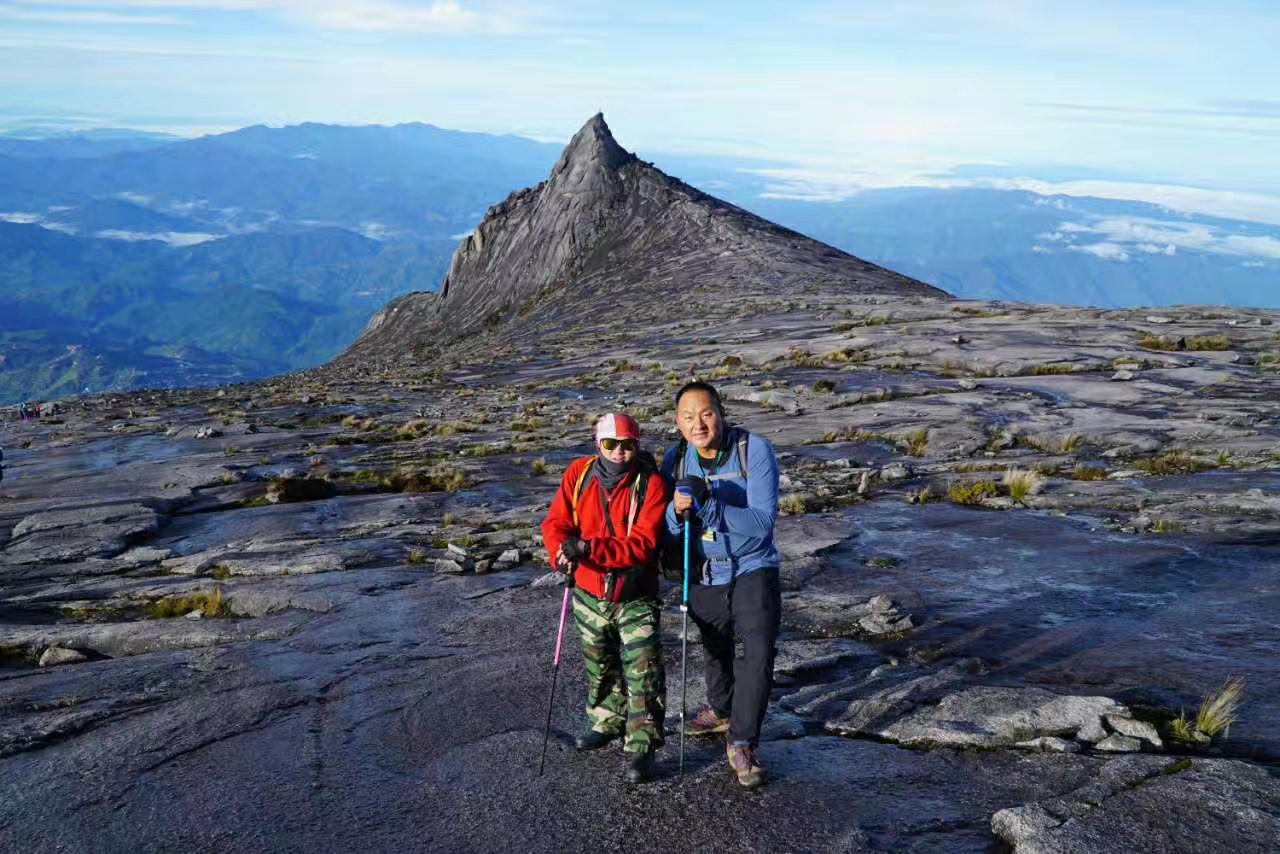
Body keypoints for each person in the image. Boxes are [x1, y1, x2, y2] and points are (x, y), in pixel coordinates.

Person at [662, 381, 781, 789]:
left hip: (752, 566)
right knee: (714, 646)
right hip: (705, 570)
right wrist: (677, 516)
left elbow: (763, 522)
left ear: (721, 413)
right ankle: (722, 709)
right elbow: (668, 526)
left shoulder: (754, 450)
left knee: (758, 653)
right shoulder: (676, 459)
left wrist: (709, 506)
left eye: (707, 413)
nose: (699, 424)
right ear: (678, 423)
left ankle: (743, 740)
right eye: (689, 417)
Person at [540, 412, 670, 783]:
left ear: (637, 445)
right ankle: (606, 721)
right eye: (610, 444)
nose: (618, 452)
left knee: (643, 668)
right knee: (600, 664)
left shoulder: (652, 486)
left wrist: (586, 548)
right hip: (587, 590)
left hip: (634, 594)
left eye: (627, 445)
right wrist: (560, 553)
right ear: (597, 444)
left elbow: (642, 546)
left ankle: (642, 745)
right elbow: (556, 523)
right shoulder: (578, 474)